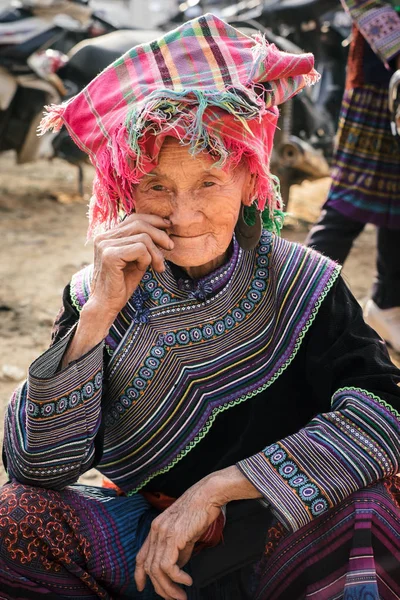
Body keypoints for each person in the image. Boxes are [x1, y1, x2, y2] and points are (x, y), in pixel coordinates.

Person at [0, 13, 399, 600]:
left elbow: (384, 414)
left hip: (290, 529)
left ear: (248, 181)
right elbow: (36, 469)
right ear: (123, 192)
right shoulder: (97, 291)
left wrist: (215, 490)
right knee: (15, 519)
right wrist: (98, 316)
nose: (182, 216)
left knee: (373, 509)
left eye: (208, 183)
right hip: (153, 542)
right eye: (156, 187)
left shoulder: (302, 280)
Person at [306, 0, 400, 352]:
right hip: (380, 84)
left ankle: (388, 306)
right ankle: (294, 311)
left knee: (397, 202)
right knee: (351, 201)